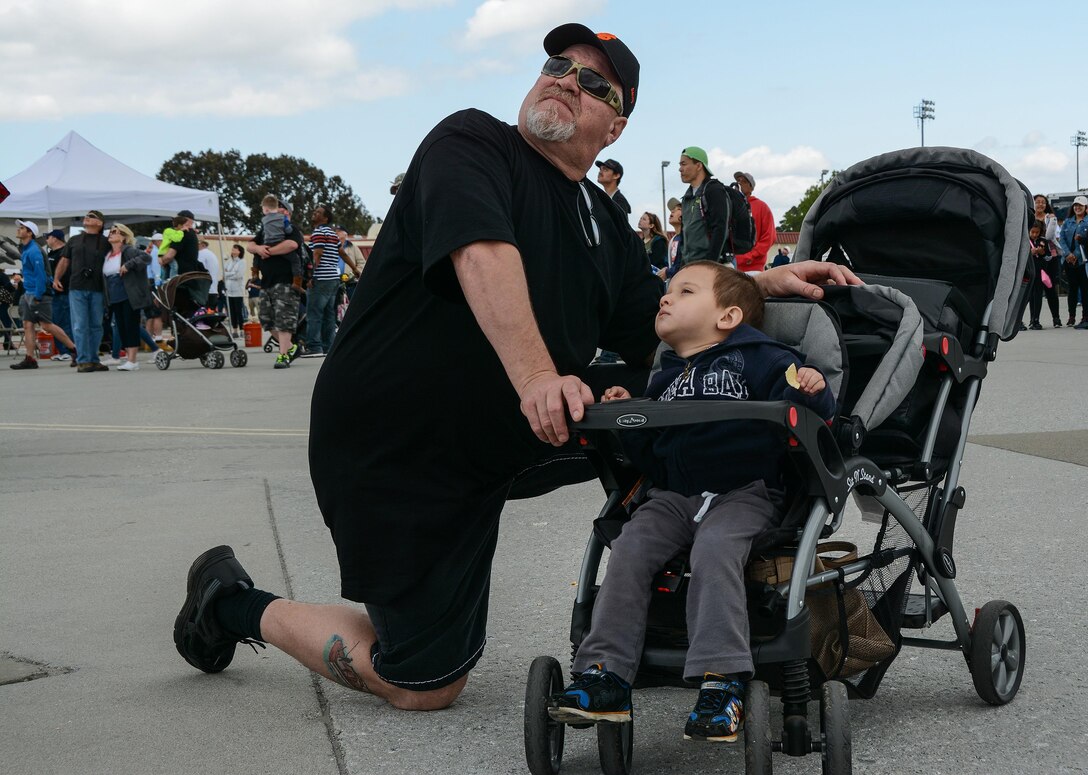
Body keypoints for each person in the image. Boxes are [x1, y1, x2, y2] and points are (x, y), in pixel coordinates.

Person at [173, 22, 861, 714]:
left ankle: (700, 599)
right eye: (558, 64)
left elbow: (662, 322)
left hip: (502, 429)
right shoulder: (472, 143)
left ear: (615, 126)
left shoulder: (601, 218)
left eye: (594, 82)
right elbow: (482, 252)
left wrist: (755, 288)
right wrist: (536, 375)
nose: (566, 78)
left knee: (656, 407)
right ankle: (230, 602)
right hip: (399, 443)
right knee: (422, 682)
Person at [547, 261, 834, 740]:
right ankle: (605, 673)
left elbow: (808, 417)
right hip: (674, 494)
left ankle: (722, 679)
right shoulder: (666, 379)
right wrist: (626, 418)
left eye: (684, 291)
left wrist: (809, 387)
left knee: (716, 549)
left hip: (746, 491)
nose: (666, 298)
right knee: (631, 548)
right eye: (666, 291)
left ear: (727, 317)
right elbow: (652, 459)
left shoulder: (761, 356)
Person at [8, 220, 78, 370]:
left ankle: (75, 350)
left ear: (30, 233)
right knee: (28, 325)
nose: (19, 230)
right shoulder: (26, 249)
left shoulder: (33, 250)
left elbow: (40, 275)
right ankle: (30, 358)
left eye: (22, 228)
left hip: (38, 293)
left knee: (47, 325)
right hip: (30, 292)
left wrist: (38, 296)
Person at [247, 201, 304, 368]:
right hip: (267, 283)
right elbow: (250, 245)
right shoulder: (266, 229)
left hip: (286, 282)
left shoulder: (291, 229)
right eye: (276, 208)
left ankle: (283, 356)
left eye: (282, 208)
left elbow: (292, 245)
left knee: (284, 320)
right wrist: (257, 249)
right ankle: (292, 348)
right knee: (266, 320)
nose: (278, 211)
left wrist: (267, 251)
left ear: (288, 213)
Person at [54, 210, 111, 372]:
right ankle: (83, 360)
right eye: (86, 216)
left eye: (92, 216)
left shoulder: (106, 242)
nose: (87, 217)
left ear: (100, 223)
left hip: (98, 288)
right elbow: (64, 261)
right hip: (77, 287)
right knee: (80, 325)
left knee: (96, 325)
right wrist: (57, 278)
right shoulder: (74, 240)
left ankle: (93, 358)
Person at [303, 204, 358, 357]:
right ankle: (329, 346)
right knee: (329, 314)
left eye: (318, 212)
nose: (314, 213)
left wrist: (310, 276)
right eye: (314, 211)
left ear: (325, 218)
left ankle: (314, 347)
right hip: (334, 278)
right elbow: (343, 254)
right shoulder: (333, 234)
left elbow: (317, 255)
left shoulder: (319, 232)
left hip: (321, 278)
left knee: (314, 313)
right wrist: (355, 269)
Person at [101, 224, 152, 372]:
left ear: (123, 236)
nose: (111, 234)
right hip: (114, 294)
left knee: (130, 325)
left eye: (115, 232)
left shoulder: (128, 251)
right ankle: (129, 358)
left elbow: (146, 257)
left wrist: (128, 265)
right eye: (110, 232)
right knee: (121, 327)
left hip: (128, 294)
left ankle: (132, 360)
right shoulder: (108, 254)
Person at [678, 147, 732, 266]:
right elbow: (684, 235)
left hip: (715, 267)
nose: (680, 169)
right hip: (691, 266)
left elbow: (720, 228)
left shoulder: (714, 190)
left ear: (698, 166)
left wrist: (709, 265)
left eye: (684, 164)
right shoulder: (687, 197)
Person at [732, 171, 775, 273]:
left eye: (744, 181)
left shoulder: (762, 207)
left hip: (753, 269)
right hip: (731, 267)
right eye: (738, 181)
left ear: (751, 187)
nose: (740, 183)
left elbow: (769, 237)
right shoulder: (731, 206)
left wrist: (749, 256)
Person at [43, 229, 75, 361]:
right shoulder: (51, 253)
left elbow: (67, 271)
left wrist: (60, 284)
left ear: (55, 238)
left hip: (63, 292)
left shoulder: (65, 252)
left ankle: (69, 350)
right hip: (53, 293)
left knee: (65, 322)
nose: (46, 240)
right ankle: (62, 350)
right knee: (55, 322)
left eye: (48, 237)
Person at [1057, 195, 1088, 327]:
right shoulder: (1067, 222)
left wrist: (1075, 255)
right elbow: (1061, 239)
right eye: (1075, 205)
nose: (1077, 208)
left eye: (1080, 206)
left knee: (1085, 289)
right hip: (1069, 262)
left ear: (1086, 208)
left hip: (1082, 261)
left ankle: (1085, 316)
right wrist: (1067, 254)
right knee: (1072, 290)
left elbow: (1084, 241)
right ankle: (1071, 316)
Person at [1027, 220, 1061, 330]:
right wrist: (1030, 253)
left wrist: (1042, 253)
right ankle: (1032, 319)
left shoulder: (1043, 241)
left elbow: (1048, 256)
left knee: (1038, 295)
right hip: (1029, 272)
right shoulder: (1025, 241)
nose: (1034, 234)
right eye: (1032, 232)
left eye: (1037, 232)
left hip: (1041, 272)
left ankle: (1036, 319)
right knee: (1031, 296)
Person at [223, 244, 247, 337]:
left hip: (238, 290)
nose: (233, 250)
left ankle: (242, 329)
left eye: (235, 249)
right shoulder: (229, 261)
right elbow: (224, 273)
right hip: (229, 290)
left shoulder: (242, 262)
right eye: (233, 248)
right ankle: (234, 330)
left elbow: (239, 275)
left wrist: (229, 274)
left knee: (238, 311)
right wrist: (230, 274)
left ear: (239, 251)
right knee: (231, 311)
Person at [198, 241, 222, 309]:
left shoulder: (201, 253)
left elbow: (199, 269)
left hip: (205, 291)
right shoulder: (212, 254)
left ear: (202, 245)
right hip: (213, 289)